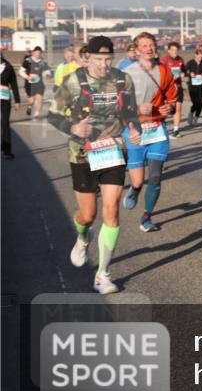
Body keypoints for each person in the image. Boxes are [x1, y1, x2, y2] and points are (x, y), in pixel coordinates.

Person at [48, 36, 141, 294]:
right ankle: (82, 238)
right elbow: (53, 115)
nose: (103, 64)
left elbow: (130, 113)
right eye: (98, 59)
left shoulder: (123, 80)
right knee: (87, 215)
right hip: (82, 154)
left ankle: (103, 275)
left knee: (111, 211)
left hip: (112, 151)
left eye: (107, 59)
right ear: (87, 57)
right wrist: (73, 127)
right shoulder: (74, 81)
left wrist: (135, 128)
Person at [122, 32, 177, 232]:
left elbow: (172, 99)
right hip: (135, 130)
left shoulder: (165, 71)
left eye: (151, 44)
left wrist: (168, 109)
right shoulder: (127, 73)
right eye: (144, 46)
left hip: (157, 130)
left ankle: (146, 216)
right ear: (137, 51)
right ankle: (135, 189)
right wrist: (136, 111)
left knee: (155, 176)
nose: (149, 48)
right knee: (138, 179)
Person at [161, 42, 186, 137]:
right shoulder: (164, 60)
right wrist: (171, 78)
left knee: (178, 108)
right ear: (169, 51)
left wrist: (183, 74)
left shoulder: (180, 60)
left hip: (178, 87)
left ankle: (176, 130)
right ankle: (162, 127)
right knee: (166, 109)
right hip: (167, 89)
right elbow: (161, 74)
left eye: (176, 50)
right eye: (173, 50)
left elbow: (183, 70)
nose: (175, 52)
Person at [19, 46, 51, 120]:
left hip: (39, 83)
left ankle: (36, 114)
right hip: (29, 83)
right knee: (31, 100)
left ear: (41, 54)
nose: (37, 54)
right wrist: (27, 77)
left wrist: (47, 74)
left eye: (39, 53)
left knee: (39, 99)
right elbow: (21, 71)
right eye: (36, 53)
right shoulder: (27, 61)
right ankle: (30, 106)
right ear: (33, 53)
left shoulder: (43, 62)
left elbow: (47, 71)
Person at [1, 54, 22, 159]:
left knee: (5, 123)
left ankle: (6, 150)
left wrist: (17, 101)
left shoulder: (8, 67)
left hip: (4, 98)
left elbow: (14, 84)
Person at [184, 47, 202, 126]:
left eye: (201, 57)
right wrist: (190, 74)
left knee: (201, 103)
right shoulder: (190, 63)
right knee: (195, 102)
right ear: (195, 55)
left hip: (201, 85)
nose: (200, 58)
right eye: (199, 57)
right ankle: (191, 114)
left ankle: (196, 117)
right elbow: (184, 71)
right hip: (192, 85)